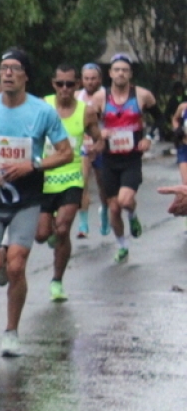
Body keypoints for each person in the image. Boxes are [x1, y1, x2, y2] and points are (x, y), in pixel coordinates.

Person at [0, 48, 72, 358]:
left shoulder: (42, 111)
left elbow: (66, 152)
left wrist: (34, 165)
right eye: (3, 68)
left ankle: (11, 331)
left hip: (27, 201)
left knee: (18, 265)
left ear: (26, 75)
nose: (8, 73)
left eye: (15, 68)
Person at [35, 64, 103, 302]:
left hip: (72, 176)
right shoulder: (44, 105)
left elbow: (98, 138)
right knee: (42, 234)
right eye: (60, 84)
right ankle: (53, 235)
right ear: (54, 84)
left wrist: (96, 149)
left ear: (77, 85)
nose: (65, 89)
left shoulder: (86, 111)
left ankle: (57, 281)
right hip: (44, 176)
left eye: (70, 84)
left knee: (63, 229)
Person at [92, 53, 160, 263]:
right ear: (110, 73)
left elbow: (160, 117)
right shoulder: (100, 98)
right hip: (109, 160)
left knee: (125, 200)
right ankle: (122, 245)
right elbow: (87, 125)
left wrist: (149, 137)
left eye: (125, 70)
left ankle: (132, 215)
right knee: (113, 208)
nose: (121, 73)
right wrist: (97, 134)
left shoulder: (142, 95)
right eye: (117, 70)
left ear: (130, 74)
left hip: (132, 159)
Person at [75, 62, 108, 238]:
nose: (90, 82)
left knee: (103, 185)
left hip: (102, 147)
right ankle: (83, 224)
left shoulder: (107, 96)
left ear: (100, 79)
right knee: (82, 183)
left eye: (93, 78)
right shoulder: (76, 96)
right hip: (83, 146)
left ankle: (104, 212)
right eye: (86, 78)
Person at [170, 98, 187, 232]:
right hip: (184, 149)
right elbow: (175, 119)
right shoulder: (183, 107)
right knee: (186, 184)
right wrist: (177, 129)